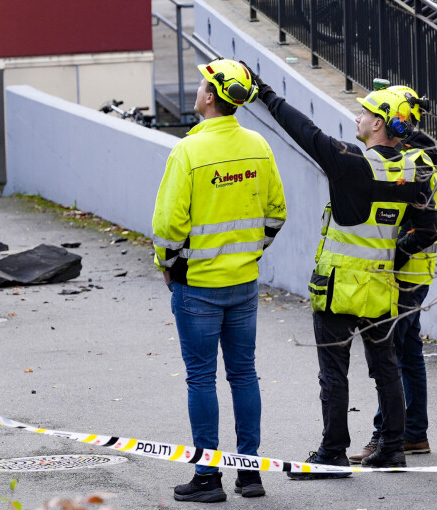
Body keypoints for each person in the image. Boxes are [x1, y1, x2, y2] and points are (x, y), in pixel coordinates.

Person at [245, 63, 437, 475]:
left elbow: (303, 129)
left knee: (334, 373)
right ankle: (392, 449)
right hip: (381, 289)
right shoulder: (416, 171)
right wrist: (391, 258)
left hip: (336, 289)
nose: (358, 117)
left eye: (366, 113)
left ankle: (332, 452)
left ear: (380, 125)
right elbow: (427, 232)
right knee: (386, 369)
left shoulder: (350, 161)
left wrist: (263, 92)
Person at [152, 58, 287, 503]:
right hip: (243, 282)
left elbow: (169, 227)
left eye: (201, 85)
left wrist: (169, 266)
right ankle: (250, 475)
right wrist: (250, 253)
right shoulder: (258, 146)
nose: (197, 91)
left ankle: (208, 478)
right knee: (244, 375)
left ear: (211, 96)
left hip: (197, 287)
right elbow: (276, 214)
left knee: (201, 379)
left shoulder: (187, 152)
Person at [351, 84, 437, 463]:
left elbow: (422, 228)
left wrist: (392, 256)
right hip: (411, 275)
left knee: (388, 358)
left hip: (404, 277)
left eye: (365, 112)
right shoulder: (416, 158)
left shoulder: (411, 164)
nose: (357, 117)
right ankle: (412, 432)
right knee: (407, 354)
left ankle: (386, 434)